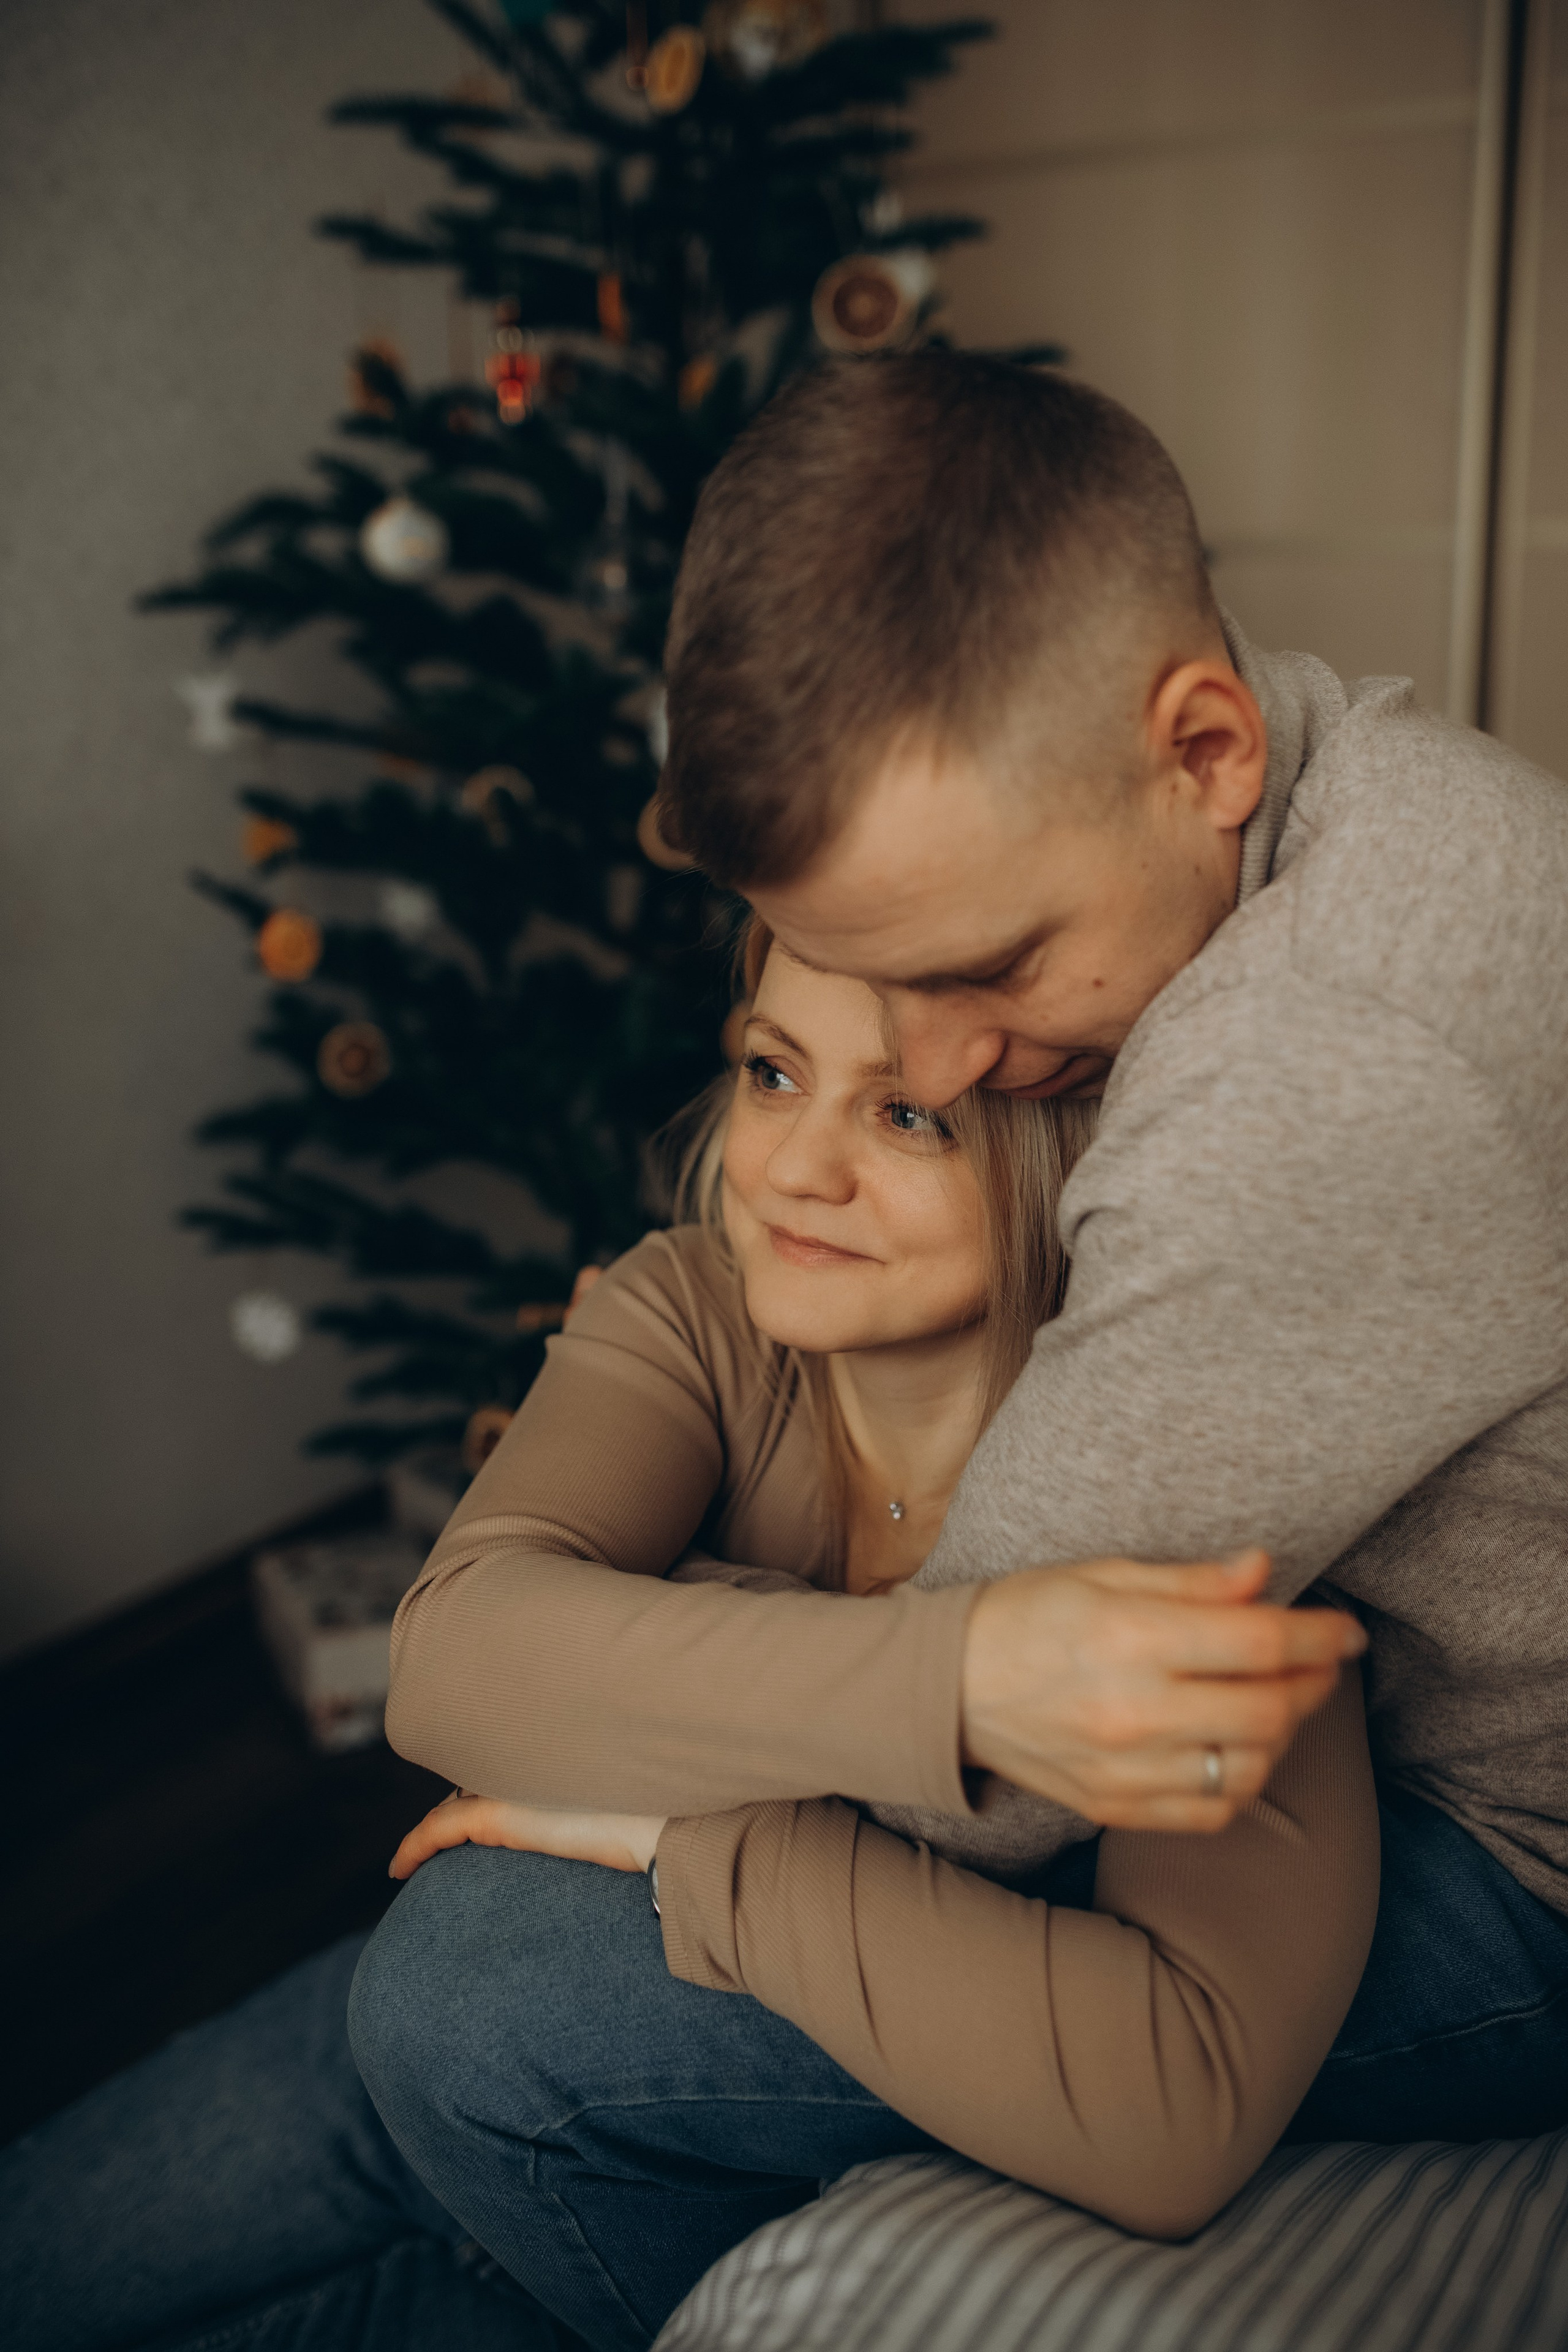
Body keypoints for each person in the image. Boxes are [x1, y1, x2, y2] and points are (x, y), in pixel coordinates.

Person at [358, 355, 1568, 2328]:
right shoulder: (1307, 777)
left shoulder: (1325, 1079)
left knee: (489, 1992)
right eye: (824, 1013)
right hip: (1298, 1790)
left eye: (983, 973)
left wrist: (665, 1798)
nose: (933, 1067)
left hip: (1518, 1859)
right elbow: (927, 1675)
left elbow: (977, 1764)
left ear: (1206, 745)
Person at [1, 927, 1370, 2352]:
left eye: (905, 1115)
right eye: (773, 1074)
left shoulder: (1195, 1487)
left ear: (1086, 1154)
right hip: (523, 2016)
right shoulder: (695, 1305)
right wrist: (954, 1678)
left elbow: (1172, 2112)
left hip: (747, 2046)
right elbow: (457, 1658)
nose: (790, 1167)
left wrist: (683, 1824)